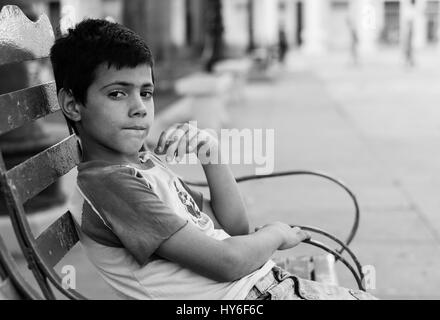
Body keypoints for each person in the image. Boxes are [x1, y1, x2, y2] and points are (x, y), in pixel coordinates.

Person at [51, 19, 376, 300]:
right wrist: (276, 234)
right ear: (73, 104)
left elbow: (232, 228)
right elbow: (227, 262)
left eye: (146, 93)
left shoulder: (143, 166)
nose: (139, 107)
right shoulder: (111, 184)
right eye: (117, 93)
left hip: (262, 286)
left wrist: (212, 154)